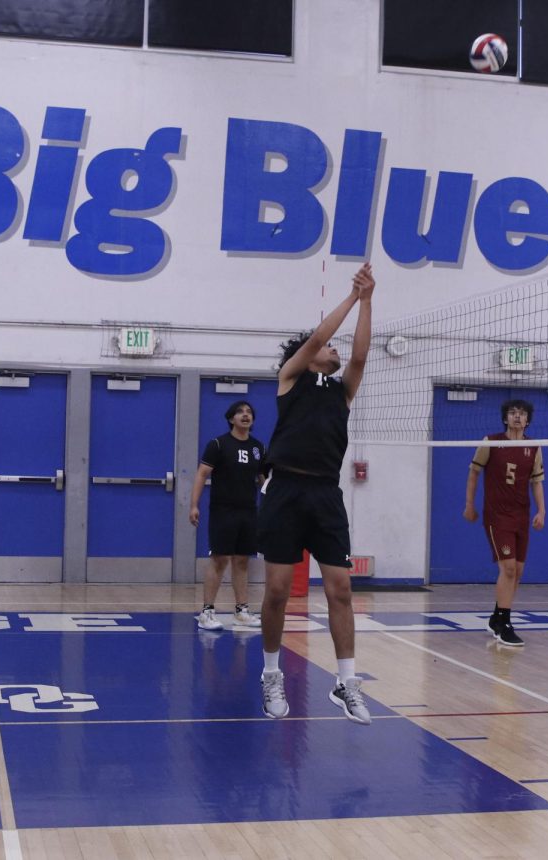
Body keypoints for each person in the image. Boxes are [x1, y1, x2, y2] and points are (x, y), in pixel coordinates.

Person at [257, 262, 375, 725]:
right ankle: (271, 674)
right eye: (328, 346)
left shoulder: (341, 391)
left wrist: (368, 299)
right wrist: (349, 296)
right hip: (285, 489)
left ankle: (346, 682)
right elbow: (312, 340)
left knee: (340, 589)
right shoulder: (290, 378)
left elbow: (361, 357)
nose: (335, 349)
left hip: (325, 494)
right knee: (278, 591)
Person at [463, 399, 545, 647]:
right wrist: (469, 505)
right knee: (508, 569)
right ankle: (505, 624)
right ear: (505, 418)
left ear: (528, 420)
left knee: (518, 572)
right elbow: (474, 473)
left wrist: (542, 510)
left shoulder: (534, 446)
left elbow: (537, 482)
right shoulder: (491, 441)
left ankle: (496, 618)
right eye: (512, 413)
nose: (517, 417)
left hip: (521, 514)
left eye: (522, 414)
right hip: (497, 515)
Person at [189, 400, 265, 631]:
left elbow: (264, 480)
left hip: (248, 510)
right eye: (240, 412)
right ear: (231, 418)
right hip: (223, 510)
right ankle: (207, 611)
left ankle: (242, 610)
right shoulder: (218, 444)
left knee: (242, 561)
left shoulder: (258, 447)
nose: (245, 415)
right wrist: (194, 505)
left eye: (249, 412)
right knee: (219, 559)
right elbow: (202, 474)